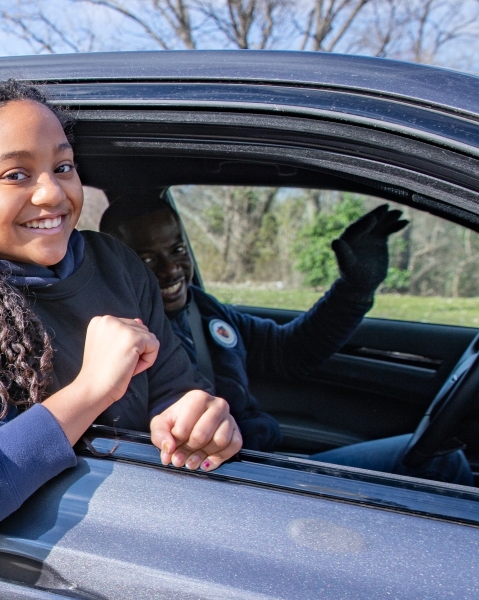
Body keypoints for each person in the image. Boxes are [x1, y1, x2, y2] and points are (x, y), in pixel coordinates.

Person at [0, 82, 242, 559]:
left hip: (157, 528)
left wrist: (195, 418)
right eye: (16, 174)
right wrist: (91, 389)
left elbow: (174, 385)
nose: (52, 192)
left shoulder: (116, 263)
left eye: (63, 166)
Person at [100, 198, 474, 485]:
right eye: (148, 259)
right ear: (122, 266)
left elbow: (288, 352)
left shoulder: (204, 310)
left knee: (441, 458)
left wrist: (354, 290)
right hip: (238, 484)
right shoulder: (118, 341)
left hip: (266, 463)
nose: (170, 269)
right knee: (440, 462)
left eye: (178, 250)